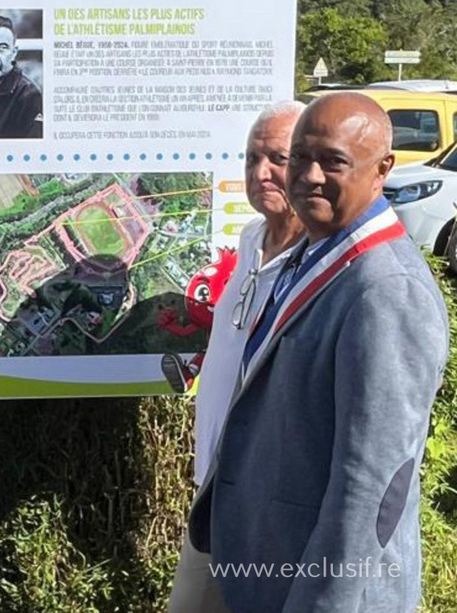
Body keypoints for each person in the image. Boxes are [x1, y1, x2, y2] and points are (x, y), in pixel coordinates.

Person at [183, 93, 449, 612]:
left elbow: (371, 487)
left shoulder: (386, 289)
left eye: (333, 161)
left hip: (318, 585)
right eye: (300, 157)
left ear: (382, 171)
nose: (308, 175)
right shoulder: (316, 251)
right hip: (267, 562)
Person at [168, 101, 305, 611]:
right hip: (215, 494)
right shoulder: (251, 241)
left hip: (266, 507)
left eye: (277, 158)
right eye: (251, 158)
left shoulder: (314, 267)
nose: (260, 172)